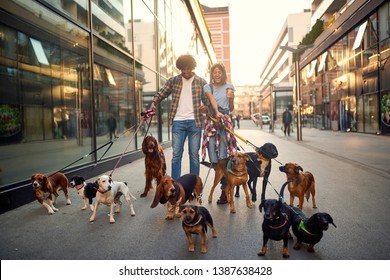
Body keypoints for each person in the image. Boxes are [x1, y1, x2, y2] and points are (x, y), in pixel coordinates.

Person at [149, 54, 208, 180]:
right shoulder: (173, 81)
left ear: (192, 67)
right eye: (183, 69)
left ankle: (193, 184)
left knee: (193, 155)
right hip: (178, 122)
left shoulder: (201, 82)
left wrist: (206, 108)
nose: (186, 72)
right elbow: (161, 93)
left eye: (188, 69)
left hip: (195, 122)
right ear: (180, 68)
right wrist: (153, 104)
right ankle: (175, 185)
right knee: (176, 155)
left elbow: (208, 100)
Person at [202, 62, 237, 204]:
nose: (217, 74)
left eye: (219, 72)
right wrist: (216, 113)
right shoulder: (207, 87)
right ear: (212, 74)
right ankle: (224, 182)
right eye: (214, 72)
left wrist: (231, 99)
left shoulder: (230, 87)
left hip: (225, 121)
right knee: (213, 158)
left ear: (223, 74)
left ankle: (224, 191)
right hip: (212, 121)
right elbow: (211, 100)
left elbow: (231, 108)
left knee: (223, 157)